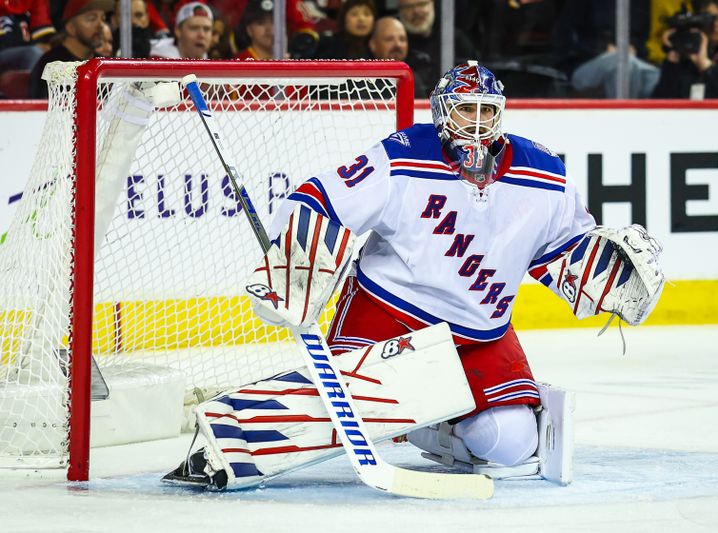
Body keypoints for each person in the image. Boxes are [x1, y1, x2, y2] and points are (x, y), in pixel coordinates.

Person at [162, 61, 665, 490]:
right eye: (466, 109)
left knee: (511, 446)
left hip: (480, 332)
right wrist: (296, 269)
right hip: (392, 313)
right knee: (337, 416)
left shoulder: (546, 173)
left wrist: (603, 273)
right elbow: (324, 199)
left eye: (486, 111)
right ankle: (232, 429)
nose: (477, 122)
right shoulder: (403, 155)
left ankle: (432, 425)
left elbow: (564, 248)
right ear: (443, 111)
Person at [554, 0, 660, 98]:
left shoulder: (640, 3)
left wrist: (634, 48)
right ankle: (623, 115)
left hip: (632, 59)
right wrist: (602, 48)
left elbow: (644, 37)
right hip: (584, 63)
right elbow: (565, 36)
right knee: (622, 65)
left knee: (654, 76)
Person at [28, 0, 113, 98]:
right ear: (71, 28)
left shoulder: (100, 63)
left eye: (103, 18)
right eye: (92, 19)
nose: (101, 25)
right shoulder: (53, 64)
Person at [369, 15, 436, 97]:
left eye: (402, 39)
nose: (397, 45)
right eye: (389, 39)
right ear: (373, 45)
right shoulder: (359, 81)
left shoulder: (415, 79)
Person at [397, 0, 476, 68]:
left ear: (432, 5)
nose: (416, 11)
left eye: (422, 4)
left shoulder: (454, 39)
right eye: (408, 7)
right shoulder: (395, 43)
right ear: (400, 10)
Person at [0, 0, 55, 74]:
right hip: (4, 51)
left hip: (26, 50)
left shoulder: (34, 2)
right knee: (33, 53)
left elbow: (44, 39)